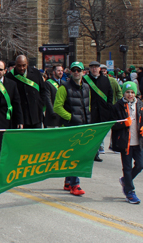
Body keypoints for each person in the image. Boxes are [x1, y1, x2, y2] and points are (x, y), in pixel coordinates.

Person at [53, 62, 90, 196]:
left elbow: (87, 107)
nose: (76, 72)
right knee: (76, 156)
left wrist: (88, 121)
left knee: (76, 155)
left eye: (78, 70)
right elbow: (57, 107)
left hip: (82, 127)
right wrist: (71, 117)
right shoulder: (64, 87)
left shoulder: (86, 87)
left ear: (83, 72)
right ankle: (75, 184)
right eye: (74, 70)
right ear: (70, 72)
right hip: (69, 127)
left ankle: (68, 181)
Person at [111, 81, 143, 204]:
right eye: (127, 92)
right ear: (123, 93)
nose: (130, 95)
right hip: (125, 142)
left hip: (138, 141)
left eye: (132, 92)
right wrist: (123, 123)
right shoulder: (118, 106)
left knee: (140, 165)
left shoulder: (141, 105)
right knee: (127, 167)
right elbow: (113, 124)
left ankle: (126, 181)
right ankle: (130, 192)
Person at [83, 61, 113, 162]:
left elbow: (110, 94)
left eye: (96, 67)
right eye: (92, 67)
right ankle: (91, 153)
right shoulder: (85, 80)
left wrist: (109, 106)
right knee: (90, 133)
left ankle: (96, 153)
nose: (94, 69)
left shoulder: (105, 80)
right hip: (90, 110)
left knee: (99, 134)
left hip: (102, 110)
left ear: (100, 69)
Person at [6, 55, 47, 128]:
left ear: (27, 63)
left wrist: (41, 103)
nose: (22, 68)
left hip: (36, 113)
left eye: (24, 65)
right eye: (19, 66)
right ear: (15, 64)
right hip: (20, 116)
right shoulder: (10, 77)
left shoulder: (36, 73)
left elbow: (43, 90)